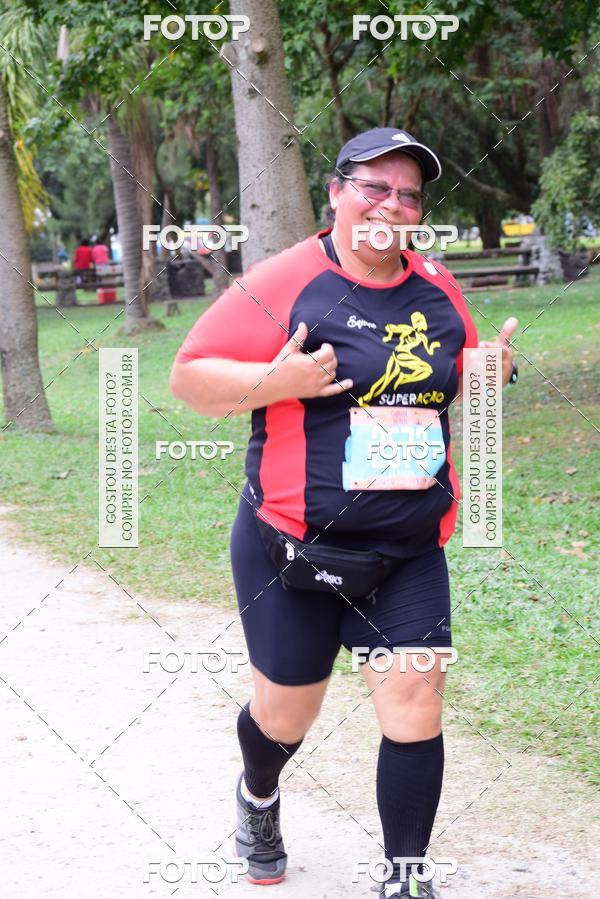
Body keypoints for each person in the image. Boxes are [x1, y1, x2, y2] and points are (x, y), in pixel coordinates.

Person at [169, 128, 517, 897]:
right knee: (285, 718)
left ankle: (405, 874)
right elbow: (189, 377)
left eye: (408, 194)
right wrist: (279, 380)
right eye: (374, 187)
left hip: (407, 547)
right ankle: (259, 793)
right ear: (336, 193)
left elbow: (452, 374)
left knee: (415, 697)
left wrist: (490, 370)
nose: (391, 205)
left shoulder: (437, 286)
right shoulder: (285, 280)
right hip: (293, 548)